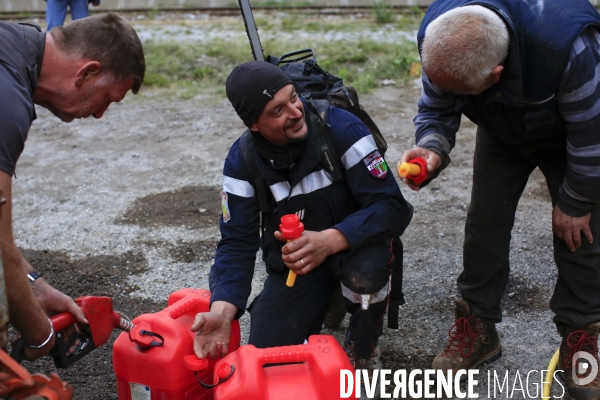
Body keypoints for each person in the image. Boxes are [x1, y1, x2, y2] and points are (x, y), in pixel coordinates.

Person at [400, 0, 600, 398]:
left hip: (570, 136)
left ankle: (582, 339)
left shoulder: (571, 49)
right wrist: (431, 149)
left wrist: (576, 201)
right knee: (484, 227)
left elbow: (593, 136)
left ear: (495, 74)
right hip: (501, 128)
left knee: (582, 235)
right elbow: (436, 109)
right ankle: (478, 329)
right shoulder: (443, 35)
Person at [192, 61, 412, 393]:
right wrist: (222, 310)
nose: (295, 112)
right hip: (299, 267)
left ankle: (363, 342)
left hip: (356, 248)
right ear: (254, 124)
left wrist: (332, 239)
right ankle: (327, 301)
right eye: (277, 110)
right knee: (269, 357)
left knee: (364, 277)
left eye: (294, 98)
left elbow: (393, 206)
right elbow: (236, 244)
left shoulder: (342, 128)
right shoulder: (242, 161)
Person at [0, 12, 145, 361]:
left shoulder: (14, 46)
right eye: (108, 98)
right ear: (87, 72)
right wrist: (38, 333)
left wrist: (36, 286)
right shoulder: (7, 103)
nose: (99, 115)